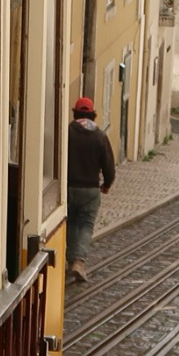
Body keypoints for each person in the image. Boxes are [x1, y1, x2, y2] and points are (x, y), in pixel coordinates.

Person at [65, 97, 116, 286]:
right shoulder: (99, 135)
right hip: (90, 189)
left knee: (71, 223)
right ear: (93, 114)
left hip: (69, 187)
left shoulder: (68, 131)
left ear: (75, 113)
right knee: (86, 225)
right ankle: (79, 261)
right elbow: (109, 166)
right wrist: (107, 184)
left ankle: (71, 260)